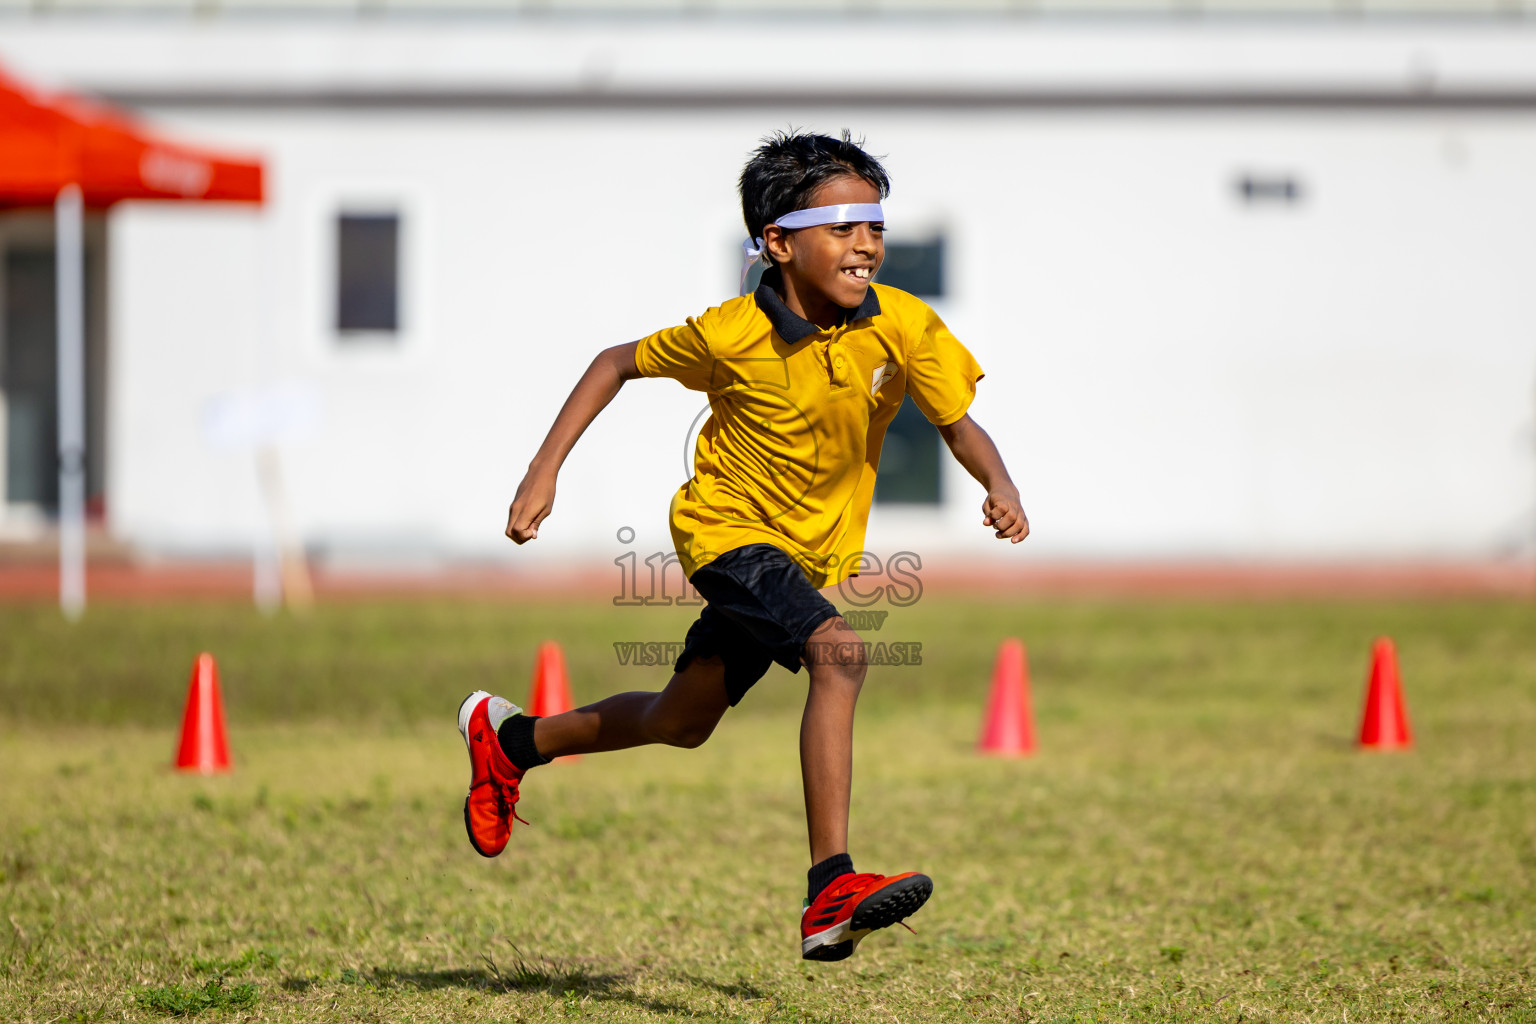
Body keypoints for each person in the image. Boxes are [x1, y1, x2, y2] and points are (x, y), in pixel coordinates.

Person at [457, 129, 1029, 962]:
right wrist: (542, 474)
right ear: (778, 242)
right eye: (841, 224)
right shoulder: (731, 333)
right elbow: (614, 363)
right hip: (726, 533)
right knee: (840, 654)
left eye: (874, 223)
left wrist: (998, 484)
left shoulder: (901, 324)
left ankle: (510, 743)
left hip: (800, 558)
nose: (865, 241)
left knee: (681, 721)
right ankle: (831, 886)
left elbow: (957, 421)